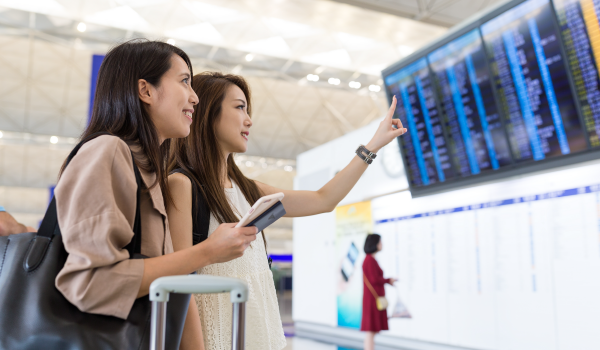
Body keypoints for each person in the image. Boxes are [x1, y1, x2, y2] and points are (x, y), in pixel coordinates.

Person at [167, 72, 407, 350]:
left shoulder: (249, 190)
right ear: (209, 113)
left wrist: (372, 146)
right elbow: (180, 285)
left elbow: (323, 199)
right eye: (239, 107)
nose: (249, 120)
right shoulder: (182, 185)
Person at [53, 40, 258, 350]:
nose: (194, 97)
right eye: (185, 81)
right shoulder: (107, 152)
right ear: (145, 91)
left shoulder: (148, 172)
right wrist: (208, 252)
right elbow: (91, 283)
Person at [361, 233, 396, 350]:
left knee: (372, 331)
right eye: (380, 242)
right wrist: (388, 280)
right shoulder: (369, 260)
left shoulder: (370, 259)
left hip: (372, 299)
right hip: (372, 300)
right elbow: (374, 279)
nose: (382, 244)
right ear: (374, 244)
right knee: (371, 331)